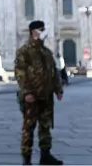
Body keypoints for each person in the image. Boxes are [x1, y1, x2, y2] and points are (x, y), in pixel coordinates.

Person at [15, 21, 63, 165]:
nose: (43, 32)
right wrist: (27, 92)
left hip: (46, 96)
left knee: (45, 127)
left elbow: (54, 72)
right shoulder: (24, 51)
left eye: (44, 30)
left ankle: (45, 155)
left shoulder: (46, 52)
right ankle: (26, 159)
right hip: (32, 97)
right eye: (41, 30)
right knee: (28, 128)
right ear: (33, 32)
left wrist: (58, 89)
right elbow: (20, 73)